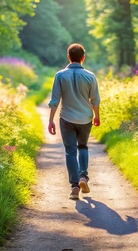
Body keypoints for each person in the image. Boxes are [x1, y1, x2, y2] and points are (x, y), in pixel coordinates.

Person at [48, 43, 101, 200]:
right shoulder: (90, 76)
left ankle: (74, 187)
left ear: (68, 57)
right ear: (83, 57)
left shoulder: (60, 75)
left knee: (70, 151)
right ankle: (83, 176)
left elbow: (54, 100)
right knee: (83, 147)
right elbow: (95, 99)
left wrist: (50, 120)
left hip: (67, 118)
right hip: (85, 118)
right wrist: (96, 116)